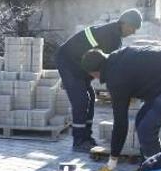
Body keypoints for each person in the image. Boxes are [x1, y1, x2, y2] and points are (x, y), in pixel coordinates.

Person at [81, 45, 161, 171]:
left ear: (95, 72)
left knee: (147, 128)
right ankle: (146, 169)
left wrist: (112, 162)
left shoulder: (116, 78)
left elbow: (120, 124)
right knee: (141, 119)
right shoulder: (116, 58)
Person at [56, 9, 143, 152]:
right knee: (81, 100)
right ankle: (78, 141)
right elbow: (109, 68)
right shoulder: (110, 36)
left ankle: (86, 137)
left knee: (90, 97)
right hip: (68, 62)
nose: (133, 32)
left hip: (79, 64)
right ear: (125, 23)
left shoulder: (115, 37)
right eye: (133, 28)